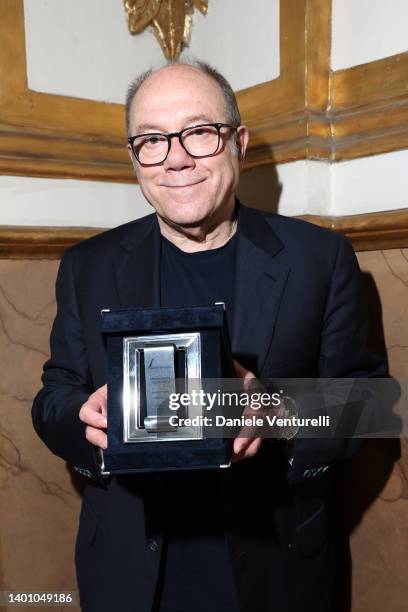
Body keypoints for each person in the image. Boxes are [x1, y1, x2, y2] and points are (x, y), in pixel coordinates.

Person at [32, 60, 385, 612]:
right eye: (152, 139)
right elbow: (53, 398)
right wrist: (87, 423)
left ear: (238, 144)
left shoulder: (320, 259)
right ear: (134, 159)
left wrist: (278, 414)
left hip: (272, 570)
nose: (176, 157)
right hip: (131, 576)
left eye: (199, 131)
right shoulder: (88, 266)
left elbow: (371, 404)